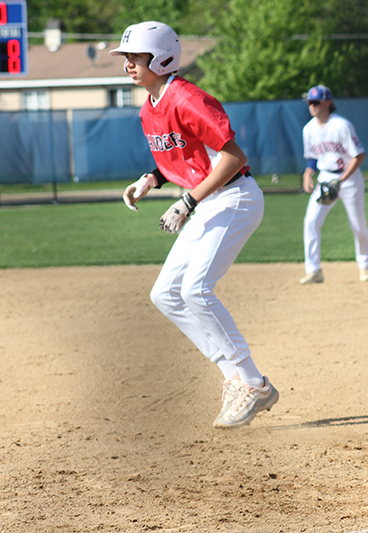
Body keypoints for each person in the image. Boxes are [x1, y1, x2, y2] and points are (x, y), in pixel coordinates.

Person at [110, 21, 278, 429]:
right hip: (209, 201)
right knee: (165, 294)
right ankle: (235, 377)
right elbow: (184, 158)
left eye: (136, 56)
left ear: (161, 58)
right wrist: (150, 179)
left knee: (195, 289)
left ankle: (253, 382)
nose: (129, 63)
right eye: (127, 57)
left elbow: (233, 157)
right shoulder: (149, 107)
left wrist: (187, 202)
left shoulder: (189, 99)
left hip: (234, 197)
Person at [300, 85, 368, 284]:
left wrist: (340, 180)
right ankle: (313, 270)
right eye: (309, 102)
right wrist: (308, 173)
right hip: (325, 178)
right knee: (311, 221)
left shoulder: (342, 125)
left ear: (327, 103)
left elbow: (359, 155)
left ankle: (365, 266)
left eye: (315, 102)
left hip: (349, 180)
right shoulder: (308, 129)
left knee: (358, 225)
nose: (311, 106)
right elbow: (313, 157)